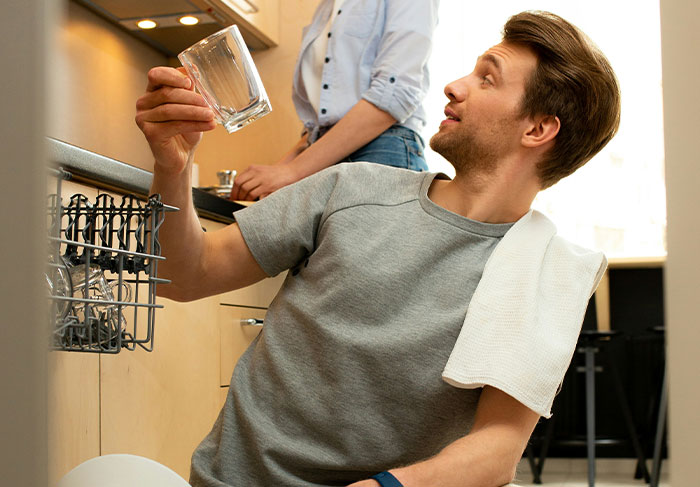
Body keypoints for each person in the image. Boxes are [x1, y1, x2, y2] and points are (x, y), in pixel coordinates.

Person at [135, 10, 620, 487]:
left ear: (537, 130)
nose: (454, 85)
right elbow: (181, 275)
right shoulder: (348, 186)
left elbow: (496, 450)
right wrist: (173, 167)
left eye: (488, 79)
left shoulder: (547, 271)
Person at [230, 0, 440, 201]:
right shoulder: (328, 6)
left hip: (383, 152)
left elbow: (394, 93)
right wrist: (277, 171)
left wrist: (292, 171)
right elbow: (326, 121)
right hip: (329, 158)